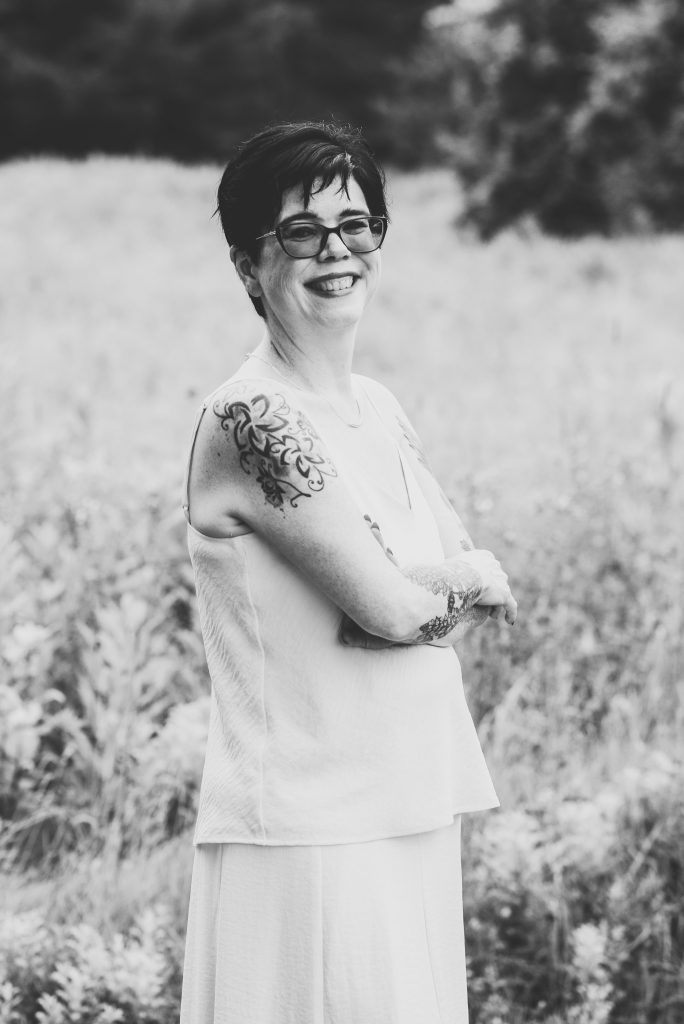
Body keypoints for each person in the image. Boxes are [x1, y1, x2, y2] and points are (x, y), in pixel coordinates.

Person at [179, 120, 517, 1024]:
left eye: (357, 225)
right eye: (302, 231)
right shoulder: (255, 417)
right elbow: (395, 608)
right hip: (310, 831)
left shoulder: (376, 407)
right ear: (249, 265)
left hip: (408, 805)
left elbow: (424, 586)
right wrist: (463, 581)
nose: (337, 251)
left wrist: (435, 584)